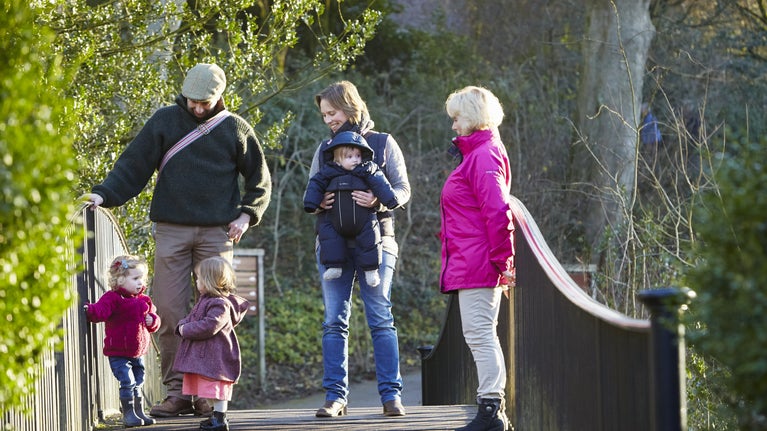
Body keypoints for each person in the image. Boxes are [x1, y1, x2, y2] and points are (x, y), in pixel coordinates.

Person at [82, 63, 272, 417]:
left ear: (219, 96)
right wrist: (104, 195)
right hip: (171, 228)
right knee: (167, 312)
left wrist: (247, 214)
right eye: (192, 101)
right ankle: (177, 391)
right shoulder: (166, 120)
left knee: (215, 314)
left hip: (217, 233)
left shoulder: (234, 127)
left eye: (205, 102)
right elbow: (133, 164)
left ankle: (205, 393)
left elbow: (260, 179)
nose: (197, 108)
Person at [306, 80, 411, 418]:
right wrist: (320, 201)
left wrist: (380, 198)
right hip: (332, 243)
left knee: (380, 317)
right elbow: (310, 191)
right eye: (324, 115)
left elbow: (403, 189)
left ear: (349, 107)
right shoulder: (324, 148)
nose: (328, 120)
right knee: (333, 321)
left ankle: (391, 397)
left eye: (332, 113)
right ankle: (336, 398)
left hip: (378, 241)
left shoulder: (383, 143)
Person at [441, 86, 516, 431]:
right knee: (480, 332)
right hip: (472, 259)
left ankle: (490, 411)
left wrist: (504, 264)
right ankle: (490, 408)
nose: (454, 126)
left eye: (457, 118)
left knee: (480, 333)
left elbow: (499, 213)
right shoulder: (478, 154)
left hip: (479, 262)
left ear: (472, 117)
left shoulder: (484, 155)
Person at [303, 130, 401, 288]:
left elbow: (382, 184)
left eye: (358, 155)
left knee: (371, 239)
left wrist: (390, 200)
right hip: (335, 220)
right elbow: (315, 185)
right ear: (337, 159)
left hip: (365, 219)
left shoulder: (368, 169)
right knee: (329, 237)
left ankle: (371, 270)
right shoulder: (328, 172)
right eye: (349, 157)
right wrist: (312, 203)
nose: (355, 160)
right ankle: (334, 266)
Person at [172, 256, 249, 431]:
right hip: (209, 355)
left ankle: (220, 420)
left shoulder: (220, 304)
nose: (196, 281)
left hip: (217, 356)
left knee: (217, 387)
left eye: (198, 278)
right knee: (210, 388)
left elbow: (209, 325)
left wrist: (186, 329)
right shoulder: (206, 300)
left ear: (208, 281)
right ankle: (215, 416)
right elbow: (194, 318)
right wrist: (183, 324)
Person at [84, 255, 161, 428]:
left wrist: (153, 320)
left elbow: (154, 319)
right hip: (118, 352)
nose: (140, 282)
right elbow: (101, 312)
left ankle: (138, 411)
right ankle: (128, 415)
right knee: (128, 381)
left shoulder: (143, 300)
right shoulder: (113, 298)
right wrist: (89, 309)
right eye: (135, 278)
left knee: (138, 381)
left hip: (138, 352)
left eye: (141, 278)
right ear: (119, 279)